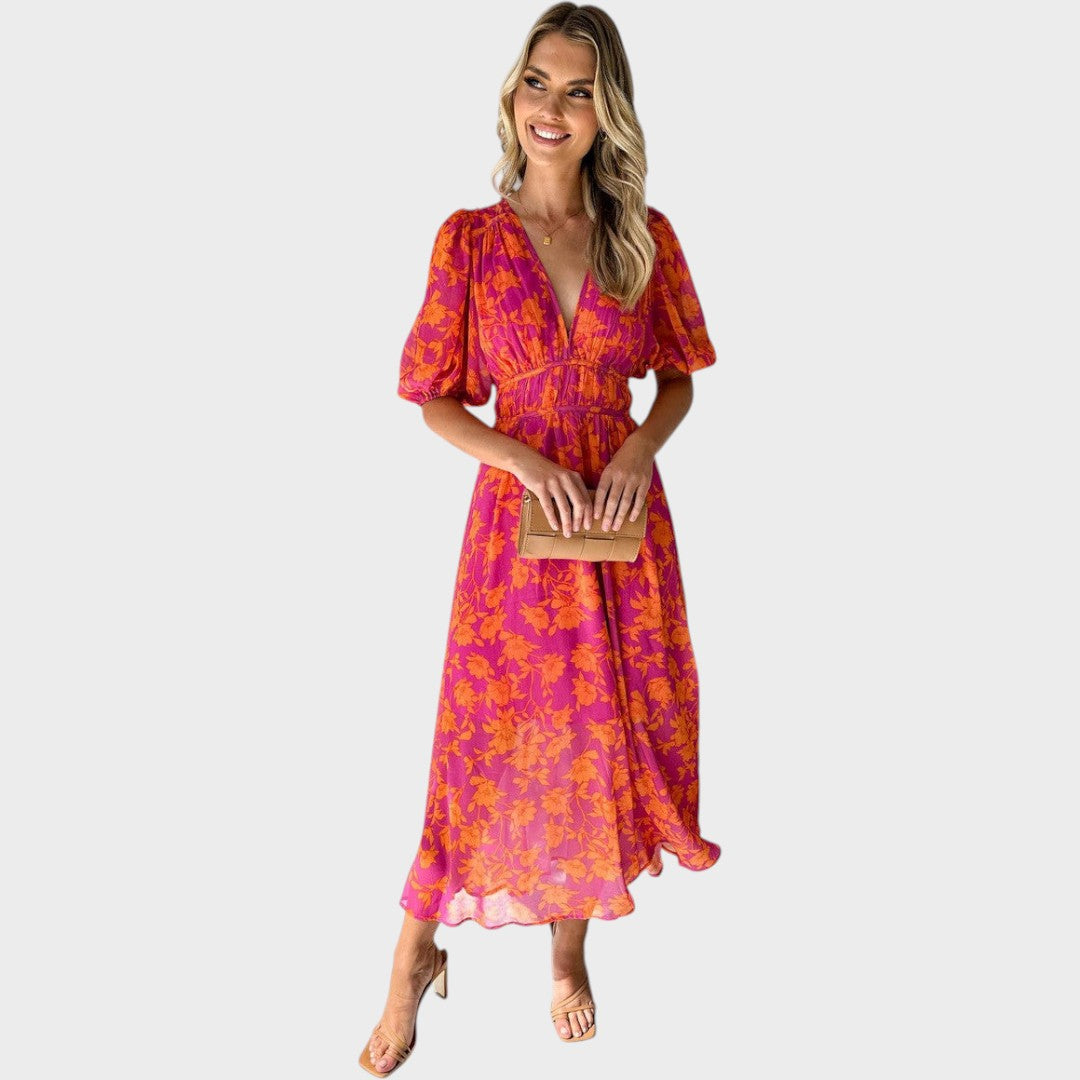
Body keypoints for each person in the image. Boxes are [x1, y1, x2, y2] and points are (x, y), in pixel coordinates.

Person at [359, 4, 722, 1074]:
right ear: (512, 95)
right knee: (482, 741)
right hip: (515, 532)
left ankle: (567, 956)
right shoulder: (469, 239)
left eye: (577, 91)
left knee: (598, 733)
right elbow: (432, 397)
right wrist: (520, 458)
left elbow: (679, 379)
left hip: (617, 520)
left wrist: (639, 448)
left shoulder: (644, 236)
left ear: (608, 111)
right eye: (537, 83)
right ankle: (411, 958)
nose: (551, 109)